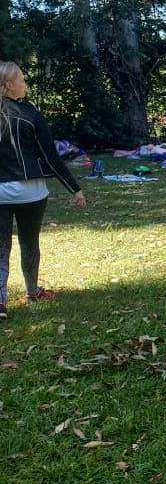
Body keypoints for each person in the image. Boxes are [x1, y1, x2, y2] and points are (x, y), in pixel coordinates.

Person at [0, 62, 86, 319]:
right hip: (31, 192)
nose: (25, 83)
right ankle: (32, 290)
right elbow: (51, 158)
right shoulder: (30, 114)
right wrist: (75, 189)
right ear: (8, 85)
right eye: (22, 79)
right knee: (29, 242)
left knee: (0, 247)